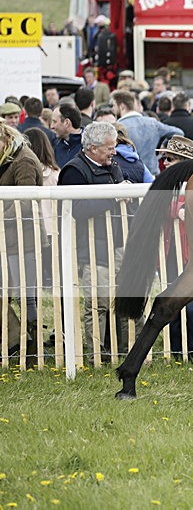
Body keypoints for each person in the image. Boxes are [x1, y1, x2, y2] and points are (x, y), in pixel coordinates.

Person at [57, 122, 128, 362]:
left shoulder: (112, 166)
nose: (114, 152)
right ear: (93, 147)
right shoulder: (74, 171)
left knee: (121, 300)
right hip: (91, 247)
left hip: (117, 242)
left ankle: (119, 348)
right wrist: (114, 196)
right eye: (109, 147)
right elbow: (76, 209)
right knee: (98, 304)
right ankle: (96, 354)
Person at [0, 122, 48, 358]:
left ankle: (32, 347)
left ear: (5, 140)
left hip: (25, 240)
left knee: (27, 297)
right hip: (8, 240)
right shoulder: (8, 158)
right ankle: (17, 341)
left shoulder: (24, 161)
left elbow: (26, 201)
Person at [156, 136, 193, 360]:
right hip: (170, 251)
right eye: (165, 158)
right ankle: (177, 351)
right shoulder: (165, 181)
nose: (165, 163)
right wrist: (179, 209)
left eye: (171, 159)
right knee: (172, 300)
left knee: (190, 303)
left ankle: (192, 350)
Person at [112, 89, 182, 176]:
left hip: (130, 176)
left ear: (122, 106)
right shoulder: (152, 123)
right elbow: (179, 133)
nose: (112, 109)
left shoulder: (117, 128)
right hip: (153, 173)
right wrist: (164, 145)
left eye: (114, 105)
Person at [24, 127, 59, 287]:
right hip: (54, 227)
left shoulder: (25, 171)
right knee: (54, 271)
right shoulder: (56, 174)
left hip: (33, 226)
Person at [50, 103, 83, 168]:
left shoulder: (88, 147)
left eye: (54, 121)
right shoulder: (56, 146)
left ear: (67, 123)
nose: (51, 126)